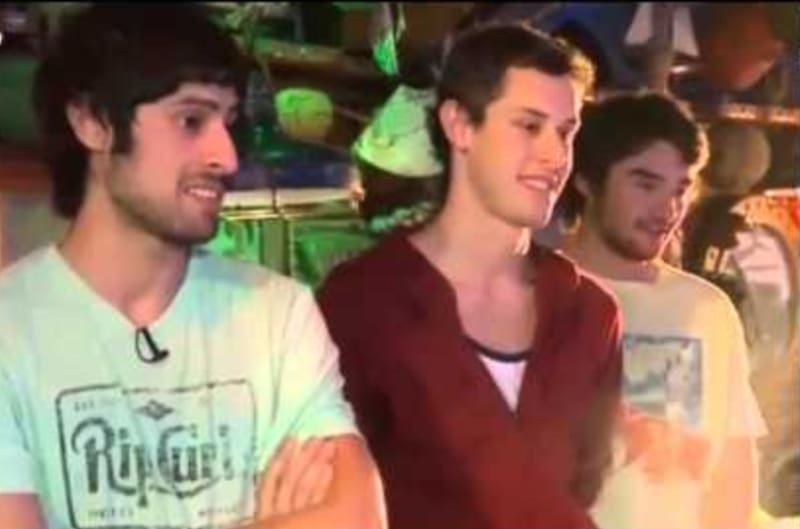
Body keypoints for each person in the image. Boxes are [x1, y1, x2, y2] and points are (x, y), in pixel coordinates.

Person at [0, 4, 384, 528]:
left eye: (228, 122)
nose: (226, 157)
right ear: (92, 123)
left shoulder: (277, 314)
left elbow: (357, 517)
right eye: (190, 120)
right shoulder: (11, 330)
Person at [318, 22, 622, 529]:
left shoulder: (590, 312)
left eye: (565, 132)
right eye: (529, 126)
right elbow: (331, 490)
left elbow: (585, 480)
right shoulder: (364, 302)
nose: (555, 155)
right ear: (459, 125)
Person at [558, 92, 767, 529]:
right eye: (645, 184)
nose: (668, 209)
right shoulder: (530, 292)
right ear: (587, 180)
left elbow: (732, 473)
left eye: (681, 188)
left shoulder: (706, 309)